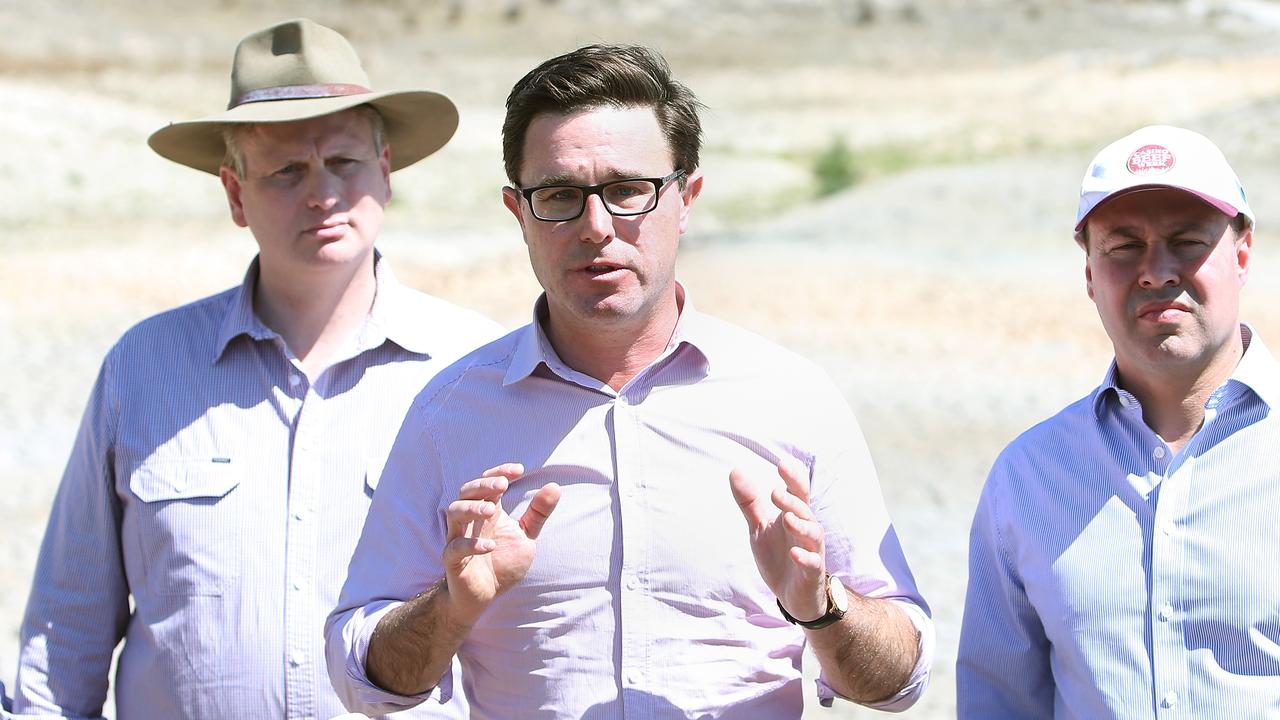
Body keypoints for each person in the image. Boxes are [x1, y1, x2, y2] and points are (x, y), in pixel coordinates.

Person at [325, 43, 933, 719]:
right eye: (558, 196)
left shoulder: (792, 398)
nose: (596, 227)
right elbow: (361, 676)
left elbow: (899, 681)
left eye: (626, 190)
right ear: (517, 212)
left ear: (686, 198)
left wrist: (821, 607)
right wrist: (451, 607)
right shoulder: (451, 413)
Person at [10, 18, 500, 719]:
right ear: (235, 194)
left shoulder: (471, 367)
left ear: (385, 174)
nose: (322, 193)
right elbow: (66, 631)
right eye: (287, 171)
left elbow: (518, 632)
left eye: (345, 162)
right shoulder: (142, 369)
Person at [957, 125, 1280, 718]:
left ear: (1241, 255)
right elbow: (997, 702)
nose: (1156, 271)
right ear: (1088, 273)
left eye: (1186, 241)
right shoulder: (1026, 477)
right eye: (1124, 246)